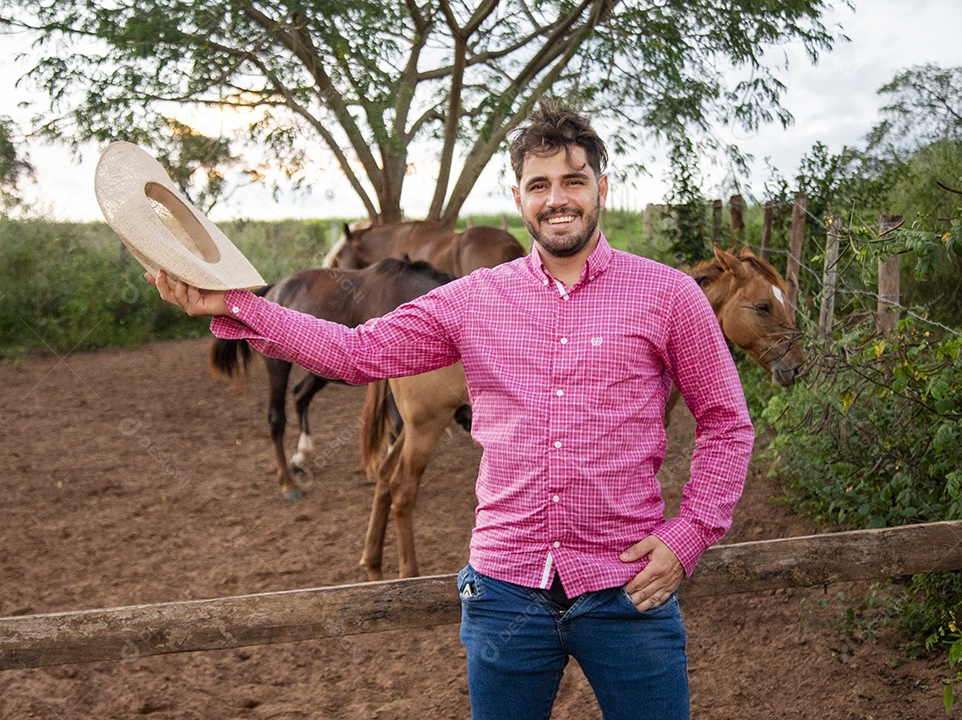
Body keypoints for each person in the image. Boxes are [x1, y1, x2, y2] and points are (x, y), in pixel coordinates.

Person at [147, 101, 754, 720]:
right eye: (539, 185)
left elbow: (726, 423)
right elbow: (358, 352)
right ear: (518, 199)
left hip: (628, 590)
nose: (557, 199)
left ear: (602, 187)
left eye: (573, 181)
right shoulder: (474, 298)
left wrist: (688, 536)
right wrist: (242, 306)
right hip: (505, 593)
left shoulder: (667, 294)